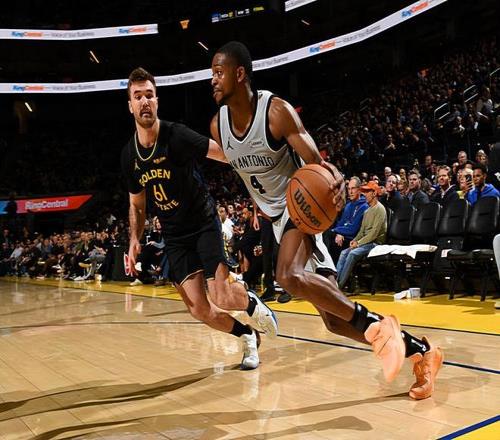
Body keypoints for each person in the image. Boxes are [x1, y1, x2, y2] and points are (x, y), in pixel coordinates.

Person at [209, 41, 442, 399]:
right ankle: (422, 352)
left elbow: (317, 163)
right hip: (275, 218)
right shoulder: (218, 126)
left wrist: (335, 180)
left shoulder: (275, 112)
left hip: (301, 207)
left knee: (287, 275)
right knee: (334, 320)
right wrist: (257, 207)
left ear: (240, 74)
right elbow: (244, 166)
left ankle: (380, 330)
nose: (212, 80)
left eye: (218, 72)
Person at [121, 67, 278, 370]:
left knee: (222, 295)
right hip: (175, 234)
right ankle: (247, 336)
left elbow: (225, 155)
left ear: (157, 100)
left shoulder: (176, 135)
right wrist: (134, 240)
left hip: (203, 221)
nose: (144, 101)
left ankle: (251, 303)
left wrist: (260, 180)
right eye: (137, 96)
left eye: (149, 95)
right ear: (130, 105)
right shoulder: (129, 156)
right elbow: (137, 205)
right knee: (199, 309)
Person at [336, 181, 386, 290]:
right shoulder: (367, 211)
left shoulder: (380, 209)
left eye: (367, 192)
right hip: (365, 242)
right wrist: (355, 240)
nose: (364, 194)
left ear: (374, 193)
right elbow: (362, 231)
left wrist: (358, 243)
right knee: (344, 253)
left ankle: (339, 286)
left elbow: (374, 233)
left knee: (352, 254)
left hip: (375, 243)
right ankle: (334, 283)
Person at [329, 177, 369, 264]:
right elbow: (341, 223)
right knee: (328, 235)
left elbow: (353, 229)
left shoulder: (364, 207)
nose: (350, 192)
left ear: (359, 190)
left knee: (332, 238)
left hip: (353, 239)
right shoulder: (348, 205)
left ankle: (333, 269)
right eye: (349, 189)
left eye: (353, 188)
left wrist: (336, 231)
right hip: (343, 235)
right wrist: (338, 233)